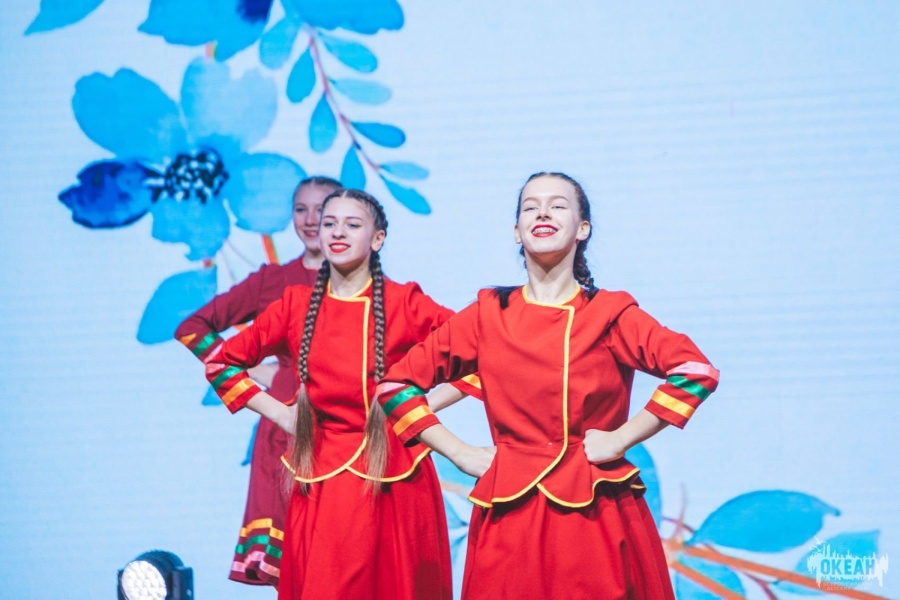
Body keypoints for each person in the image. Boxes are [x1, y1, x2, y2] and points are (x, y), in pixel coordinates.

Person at [376, 172, 720, 599]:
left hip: (594, 509)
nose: (542, 213)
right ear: (516, 230)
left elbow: (695, 370)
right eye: (530, 206)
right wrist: (460, 453)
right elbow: (396, 387)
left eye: (558, 205)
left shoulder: (608, 313)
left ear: (582, 229)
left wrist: (621, 438)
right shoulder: (488, 314)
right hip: (510, 512)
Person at [203, 188, 476, 599]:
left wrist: (413, 411)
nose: (337, 232)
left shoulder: (405, 303)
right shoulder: (294, 305)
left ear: (377, 239)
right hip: (324, 479)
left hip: (396, 477)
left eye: (352, 224)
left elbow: (479, 352)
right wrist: (282, 414)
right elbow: (221, 364)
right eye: (330, 223)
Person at [175, 175, 341, 587]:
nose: (310, 219)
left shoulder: (370, 287)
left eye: (321, 210)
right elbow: (193, 328)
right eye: (300, 209)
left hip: (347, 432)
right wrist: (249, 372)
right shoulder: (272, 282)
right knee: (295, 574)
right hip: (285, 432)